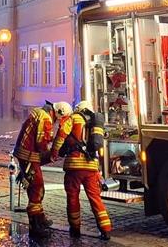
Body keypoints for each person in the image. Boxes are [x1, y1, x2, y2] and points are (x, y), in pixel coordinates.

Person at [51, 100, 112, 240]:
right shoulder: (95, 122)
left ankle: (75, 229)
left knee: (73, 198)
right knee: (95, 198)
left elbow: (61, 135)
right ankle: (105, 229)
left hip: (74, 166)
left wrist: (54, 152)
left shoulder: (73, 118)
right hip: (91, 167)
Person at [13, 100, 71, 238]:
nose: (58, 122)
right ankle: (35, 226)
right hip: (29, 156)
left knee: (37, 188)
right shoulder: (46, 118)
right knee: (37, 189)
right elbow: (41, 143)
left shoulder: (39, 112)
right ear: (59, 113)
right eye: (60, 119)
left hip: (25, 154)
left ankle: (40, 218)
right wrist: (52, 152)